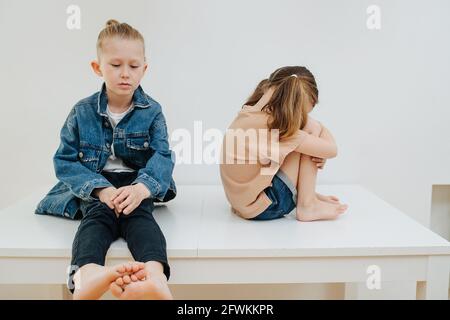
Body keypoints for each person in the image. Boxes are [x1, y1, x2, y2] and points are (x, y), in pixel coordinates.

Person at [36, 19, 176, 300]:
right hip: (97, 184)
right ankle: (87, 274)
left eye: (134, 66)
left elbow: (162, 156)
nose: (125, 74)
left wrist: (141, 189)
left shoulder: (152, 111)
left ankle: (154, 276)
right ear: (97, 67)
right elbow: (65, 161)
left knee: (142, 221)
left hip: (135, 185)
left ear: (144, 69)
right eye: (115, 65)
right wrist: (100, 190)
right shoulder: (82, 111)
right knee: (96, 220)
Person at [220, 66, 348, 221]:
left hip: (241, 202)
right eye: (303, 113)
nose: (302, 117)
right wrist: (317, 126)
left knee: (305, 138)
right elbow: (332, 150)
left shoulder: (250, 113)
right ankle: (307, 204)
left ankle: (305, 195)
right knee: (311, 129)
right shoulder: (277, 127)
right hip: (264, 207)